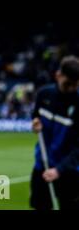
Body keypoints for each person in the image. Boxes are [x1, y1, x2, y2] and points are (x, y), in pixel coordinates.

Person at [30, 55, 79, 210]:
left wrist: (59, 170)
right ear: (58, 76)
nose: (71, 89)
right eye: (67, 84)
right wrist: (35, 123)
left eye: (76, 85)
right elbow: (36, 115)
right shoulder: (44, 94)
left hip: (68, 172)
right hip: (42, 166)